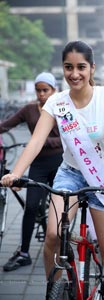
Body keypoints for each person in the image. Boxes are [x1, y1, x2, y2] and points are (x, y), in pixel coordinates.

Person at [1, 41, 104, 299]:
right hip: (70, 174)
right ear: (63, 68)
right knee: (52, 236)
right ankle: (56, 291)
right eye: (68, 67)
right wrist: (15, 173)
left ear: (92, 68)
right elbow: (37, 140)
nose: (75, 74)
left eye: (81, 67)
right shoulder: (56, 102)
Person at [0, 72, 63, 272]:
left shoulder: (61, 108)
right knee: (31, 207)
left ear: (53, 90)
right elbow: (6, 125)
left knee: (60, 209)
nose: (42, 94)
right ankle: (24, 253)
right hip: (38, 164)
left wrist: (43, 141)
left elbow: (66, 138)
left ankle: (59, 249)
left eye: (46, 90)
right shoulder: (29, 110)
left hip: (60, 163)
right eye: (39, 90)